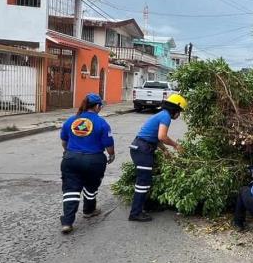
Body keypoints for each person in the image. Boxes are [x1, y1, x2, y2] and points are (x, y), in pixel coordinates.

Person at [59, 93, 115, 234]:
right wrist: (111, 154)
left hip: (71, 159)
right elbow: (108, 145)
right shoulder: (102, 123)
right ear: (96, 106)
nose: (100, 108)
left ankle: (67, 222)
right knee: (91, 186)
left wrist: (69, 153)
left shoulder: (71, 120)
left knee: (71, 189)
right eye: (100, 106)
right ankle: (89, 210)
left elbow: (64, 141)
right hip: (94, 160)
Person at [128, 93, 187, 222]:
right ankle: (135, 213)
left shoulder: (162, 114)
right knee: (143, 181)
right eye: (180, 112)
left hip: (142, 148)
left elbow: (155, 137)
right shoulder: (166, 117)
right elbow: (162, 137)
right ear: (175, 109)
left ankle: (146, 206)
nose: (179, 115)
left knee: (147, 179)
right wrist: (176, 146)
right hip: (143, 150)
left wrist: (165, 151)